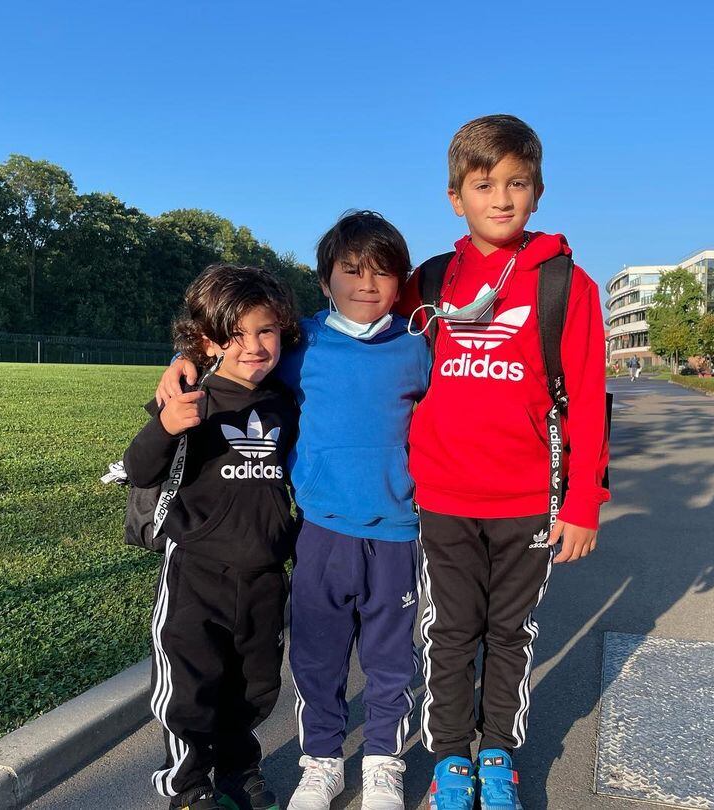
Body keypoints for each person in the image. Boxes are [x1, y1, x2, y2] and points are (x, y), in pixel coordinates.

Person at [156, 211, 430, 810]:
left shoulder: (416, 350)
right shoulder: (299, 345)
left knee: (390, 659)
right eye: (351, 270)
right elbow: (232, 349)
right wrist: (182, 363)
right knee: (317, 657)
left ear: (402, 282)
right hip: (322, 533)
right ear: (324, 279)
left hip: (397, 532)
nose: (366, 284)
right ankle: (323, 760)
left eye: (383, 273)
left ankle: (383, 760)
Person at [400, 114, 610, 809]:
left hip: (528, 500)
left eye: (516, 182)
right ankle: (450, 758)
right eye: (483, 183)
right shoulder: (428, 280)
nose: (501, 197)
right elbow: (355, 330)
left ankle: (498, 752)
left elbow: (585, 402)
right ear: (455, 197)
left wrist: (582, 504)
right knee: (450, 632)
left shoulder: (567, 285)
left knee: (510, 633)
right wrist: (203, 354)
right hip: (442, 497)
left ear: (538, 191)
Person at [125, 264, 300, 810]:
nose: (252, 346)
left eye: (265, 331)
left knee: (254, 687)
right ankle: (188, 785)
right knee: (190, 688)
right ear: (206, 340)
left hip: (266, 573)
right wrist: (166, 424)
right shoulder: (189, 395)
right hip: (197, 574)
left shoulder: (284, 402)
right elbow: (138, 467)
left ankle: (237, 770)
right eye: (235, 333)